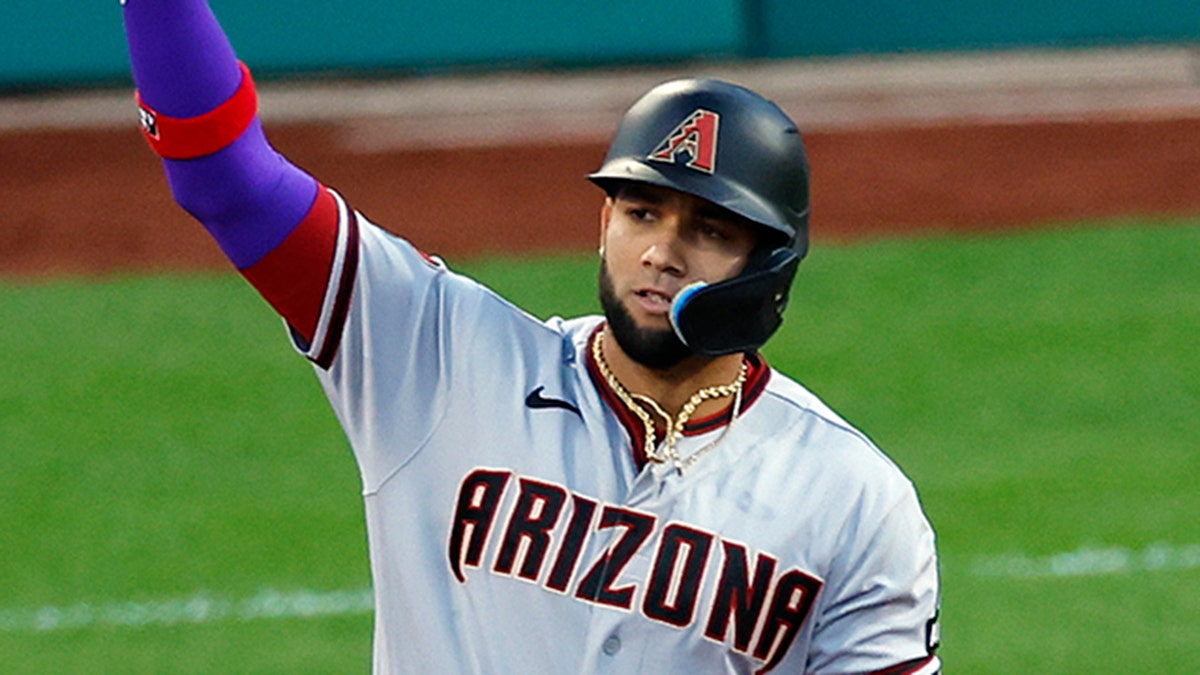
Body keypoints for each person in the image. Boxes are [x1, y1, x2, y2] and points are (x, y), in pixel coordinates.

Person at [121, 1, 941, 673]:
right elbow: (224, 176)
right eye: (641, 211)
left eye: (710, 229)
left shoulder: (854, 501)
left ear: (769, 266)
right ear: (603, 222)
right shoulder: (438, 353)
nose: (660, 251)